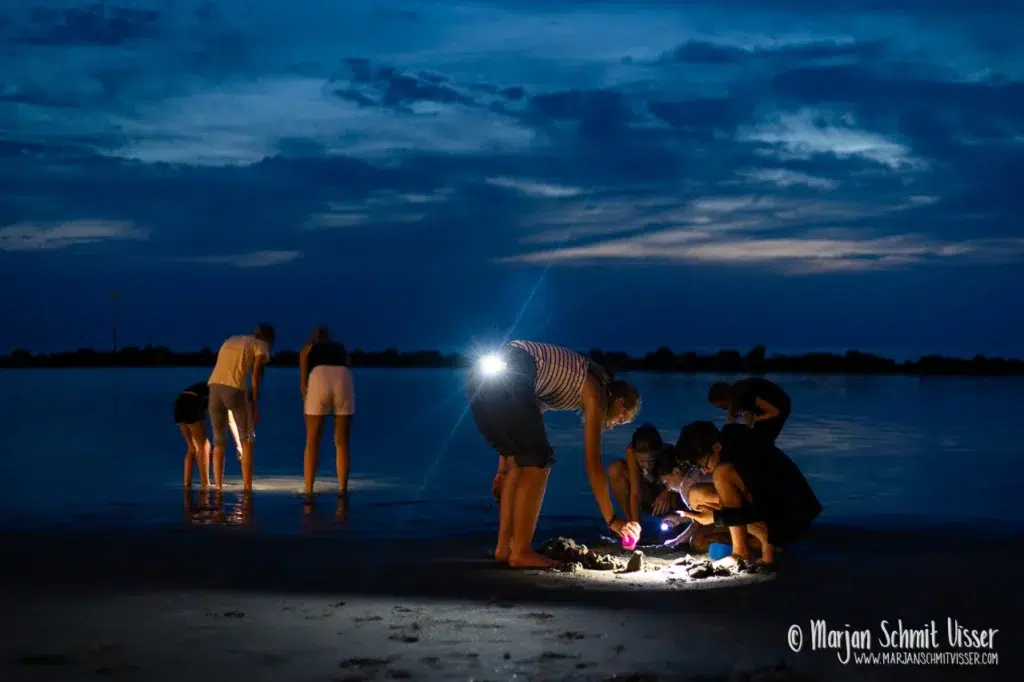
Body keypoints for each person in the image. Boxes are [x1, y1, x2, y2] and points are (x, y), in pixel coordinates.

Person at [468, 340, 642, 569]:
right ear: (619, 401)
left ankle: (504, 548)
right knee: (540, 460)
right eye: (621, 419)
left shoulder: (560, 388)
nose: (614, 424)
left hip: (482, 378)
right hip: (513, 369)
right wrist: (612, 520)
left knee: (521, 462)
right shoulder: (596, 390)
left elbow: (520, 428)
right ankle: (521, 551)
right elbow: (593, 463)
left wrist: (502, 470)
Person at [674, 420, 822, 565]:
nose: (704, 471)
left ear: (717, 446)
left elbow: (765, 508)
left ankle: (743, 552)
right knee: (696, 498)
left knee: (721, 473)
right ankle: (749, 545)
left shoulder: (746, 458)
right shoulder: (730, 445)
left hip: (787, 518)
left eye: (704, 465)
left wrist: (716, 517)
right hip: (762, 513)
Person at [207, 324, 275, 492]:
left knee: (219, 441)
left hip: (214, 387)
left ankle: (218, 487)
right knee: (248, 440)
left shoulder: (231, 340)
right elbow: (256, 374)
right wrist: (255, 405)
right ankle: (247, 487)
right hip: (235, 388)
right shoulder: (261, 345)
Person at [298, 325, 355, 497]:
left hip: (318, 376)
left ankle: (309, 489)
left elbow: (303, 382)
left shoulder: (308, 349)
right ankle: (343, 489)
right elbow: (348, 364)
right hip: (344, 378)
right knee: (342, 441)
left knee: (312, 440)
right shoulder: (341, 348)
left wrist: (305, 403)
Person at [607, 424, 683, 525]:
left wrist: (668, 491)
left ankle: (677, 521)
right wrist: (635, 524)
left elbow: (684, 478)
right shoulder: (631, 452)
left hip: (667, 502)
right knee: (615, 469)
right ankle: (632, 524)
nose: (647, 466)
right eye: (642, 461)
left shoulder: (669, 452)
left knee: (677, 488)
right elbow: (635, 493)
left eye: (651, 461)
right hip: (648, 499)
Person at [708, 378, 791, 444]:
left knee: (763, 439)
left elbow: (775, 412)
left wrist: (756, 419)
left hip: (780, 405)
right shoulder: (733, 395)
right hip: (758, 405)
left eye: (720, 406)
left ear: (726, 399)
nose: (721, 409)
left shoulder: (747, 395)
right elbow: (731, 421)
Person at [174, 381, 211, 488]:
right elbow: (228, 420)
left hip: (179, 403)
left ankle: (187, 483)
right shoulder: (222, 390)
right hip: (192, 402)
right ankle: (205, 483)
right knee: (204, 445)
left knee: (192, 447)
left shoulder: (208, 386)